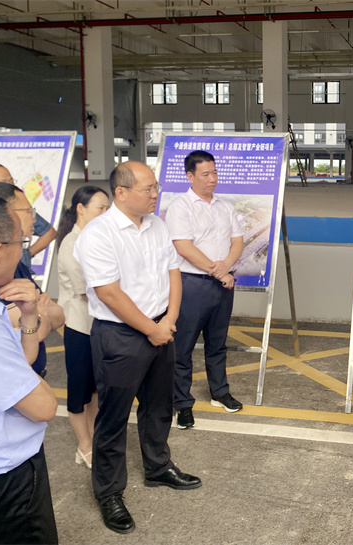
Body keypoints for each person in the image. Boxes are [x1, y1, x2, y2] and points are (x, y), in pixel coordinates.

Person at [74, 161, 201, 535]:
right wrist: (151, 329)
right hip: (121, 335)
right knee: (113, 418)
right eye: (148, 188)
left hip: (162, 327)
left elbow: (172, 273)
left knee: (159, 405)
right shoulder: (98, 234)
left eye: (156, 187)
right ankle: (109, 492)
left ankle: (158, 468)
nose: (155, 193)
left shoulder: (158, 225)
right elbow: (109, 293)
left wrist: (168, 321)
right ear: (121, 192)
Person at [0, 193, 59, 545]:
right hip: (1, 483)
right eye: (21, 242)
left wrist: (28, 316)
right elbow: (43, 407)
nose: (23, 248)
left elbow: (21, 360)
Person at [165, 149, 244, 429]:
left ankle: (220, 392)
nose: (212, 179)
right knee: (183, 346)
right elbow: (183, 246)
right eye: (205, 174)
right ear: (190, 176)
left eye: (214, 172)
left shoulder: (225, 206)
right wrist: (218, 270)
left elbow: (238, 241)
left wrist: (227, 268)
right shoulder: (180, 207)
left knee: (217, 342)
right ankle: (182, 403)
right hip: (192, 284)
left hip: (223, 283)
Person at [0, 182, 65, 377]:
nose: (34, 219)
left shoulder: (16, 266)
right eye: (28, 211)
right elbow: (38, 331)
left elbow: (58, 314)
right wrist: (35, 315)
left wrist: (31, 316)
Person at [56, 186, 110, 470]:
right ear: (81, 208)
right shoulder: (70, 243)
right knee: (79, 389)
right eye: (100, 207)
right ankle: (84, 446)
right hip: (78, 325)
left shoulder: (95, 238)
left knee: (95, 389)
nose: (105, 213)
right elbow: (88, 290)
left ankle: (94, 439)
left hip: (96, 324)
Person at [0, 162, 57, 273]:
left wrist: (27, 254)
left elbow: (49, 232)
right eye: (3, 183)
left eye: (11, 181)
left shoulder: (19, 204)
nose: (10, 186)